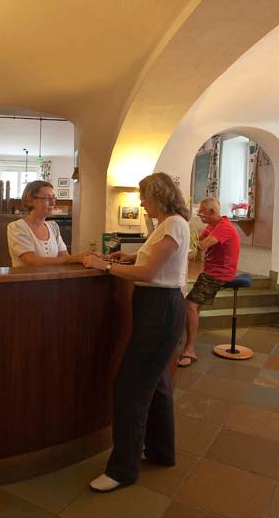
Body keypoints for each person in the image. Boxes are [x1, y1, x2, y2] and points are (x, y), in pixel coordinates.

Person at [82, 172, 190, 492]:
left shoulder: (172, 224)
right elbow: (152, 261)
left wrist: (102, 265)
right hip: (156, 306)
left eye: (144, 196)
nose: (141, 202)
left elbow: (148, 272)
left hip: (161, 308)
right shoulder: (170, 224)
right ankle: (160, 452)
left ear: (158, 196)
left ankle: (123, 470)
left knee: (130, 387)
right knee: (155, 384)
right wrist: (129, 256)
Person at [179, 197, 241, 367]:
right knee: (194, 306)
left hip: (220, 274)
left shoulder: (224, 227)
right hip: (211, 271)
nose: (199, 216)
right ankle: (187, 339)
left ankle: (189, 349)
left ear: (212, 212)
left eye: (201, 213)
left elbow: (201, 245)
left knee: (189, 305)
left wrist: (186, 230)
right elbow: (196, 244)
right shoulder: (212, 225)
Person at [7, 180, 88, 266]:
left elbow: (65, 257)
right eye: (47, 198)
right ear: (30, 201)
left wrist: (88, 258)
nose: (53, 203)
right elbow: (32, 262)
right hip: (27, 279)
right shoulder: (17, 227)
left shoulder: (53, 226)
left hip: (54, 279)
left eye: (53, 198)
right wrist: (74, 258)